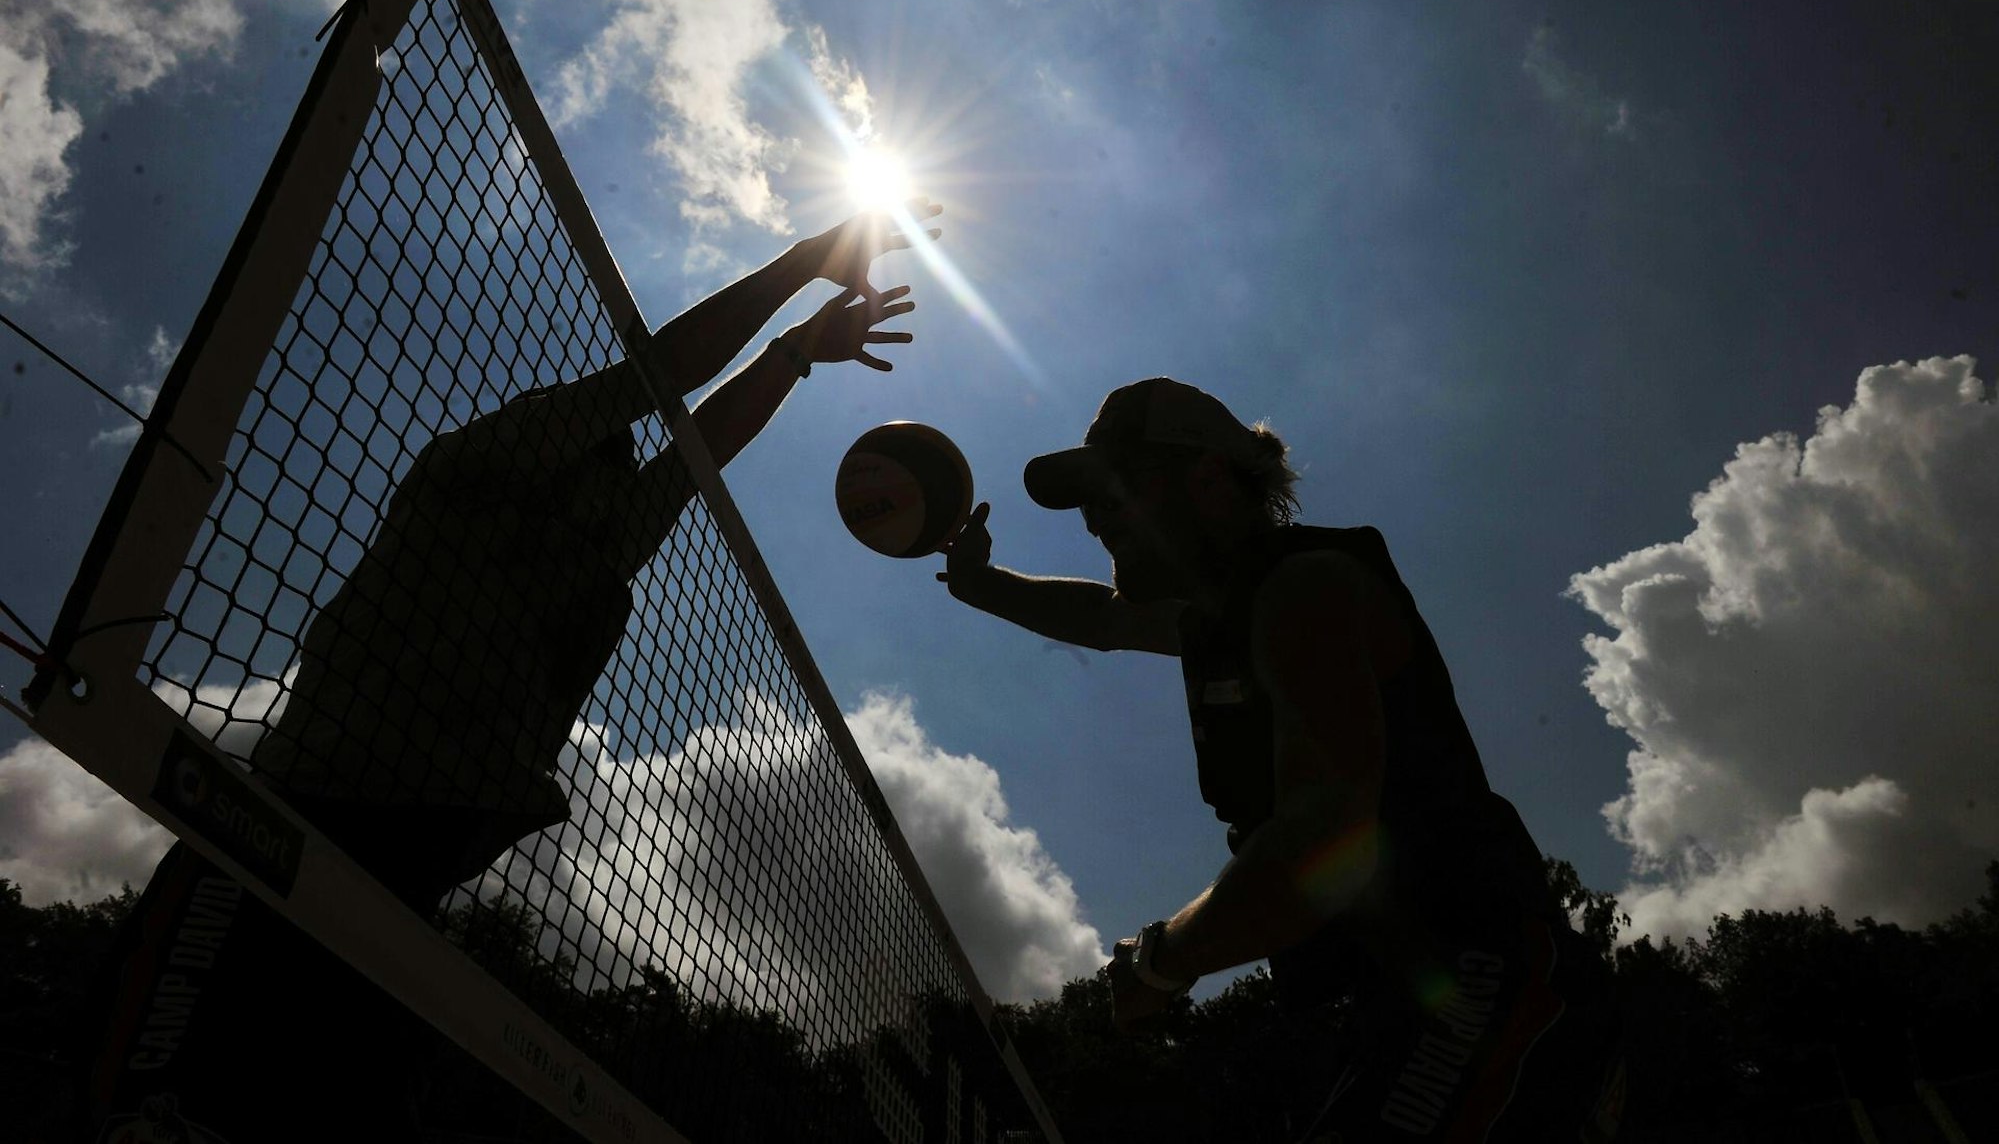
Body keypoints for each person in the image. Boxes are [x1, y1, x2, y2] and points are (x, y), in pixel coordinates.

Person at [76, 204, 940, 1140]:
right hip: (296, 813)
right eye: (580, 430)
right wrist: (807, 263)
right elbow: (656, 385)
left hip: (406, 874)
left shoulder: (593, 541)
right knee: (141, 1109)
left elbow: (699, 450)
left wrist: (797, 354)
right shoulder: (470, 472)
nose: (602, 449)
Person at [938, 377, 1625, 1142]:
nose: (1095, 517)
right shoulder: (1226, 614)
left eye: (1115, 489)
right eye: (1088, 499)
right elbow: (1103, 618)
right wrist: (978, 584)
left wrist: (1161, 963)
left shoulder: (1306, 591)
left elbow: (1321, 841)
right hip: (1413, 1004)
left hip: (1484, 988)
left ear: (1206, 480)